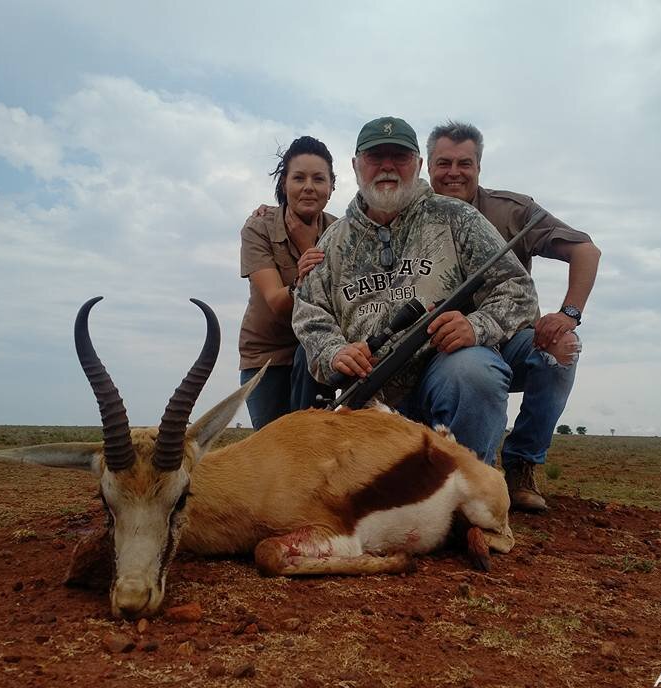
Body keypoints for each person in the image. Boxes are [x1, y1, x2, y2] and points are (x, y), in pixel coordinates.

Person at [292, 116, 537, 465]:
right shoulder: (334, 239)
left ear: (418, 164)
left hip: (442, 373)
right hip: (367, 392)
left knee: (474, 371)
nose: (388, 167)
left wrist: (476, 326)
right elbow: (309, 311)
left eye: (400, 157)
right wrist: (335, 351)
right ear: (356, 165)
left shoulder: (458, 219)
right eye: (376, 157)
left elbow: (517, 288)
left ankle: (469, 492)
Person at [426, 121, 601, 511]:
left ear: (479, 167)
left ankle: (522, 464)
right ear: (428, 167)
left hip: (511, 341)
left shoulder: (512, 210)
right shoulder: (415, 214)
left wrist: (568, 313)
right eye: (444, 163)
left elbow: (586, 250)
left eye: (464, 163)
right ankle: (470, 478)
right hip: (446, 351)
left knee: (562, 349)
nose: (454, 173)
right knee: (469, 370)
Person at [239, 136, 337, 429]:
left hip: (317, 352)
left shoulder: (340, 231)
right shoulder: (258, 227)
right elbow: (278, 303)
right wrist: (307, 264)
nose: (309, 187)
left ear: (331, 187)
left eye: (319, 179)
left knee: (311, 446)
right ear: (284, 184)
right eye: (299, 178)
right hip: (266, 356)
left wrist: (308, 245)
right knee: (273, 458)